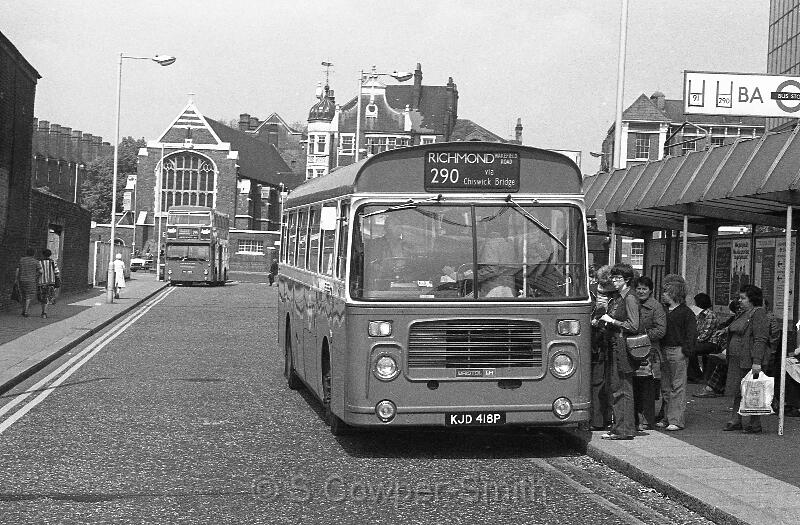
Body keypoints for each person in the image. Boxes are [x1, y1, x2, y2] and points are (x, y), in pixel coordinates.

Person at [720, 284, 770, 434]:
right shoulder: (744, 313)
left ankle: (755, 423)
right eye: (739, 298)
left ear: (752, 299)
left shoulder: (758, 313)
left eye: (743, 298)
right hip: (738, 359)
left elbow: (760, 339)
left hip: (749, 359)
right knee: (738, 389)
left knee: (753, 390)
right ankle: (736, 419)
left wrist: (757, 362)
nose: (740, 301)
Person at [598, 263, 640, 440]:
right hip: (615, 345)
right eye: (613, 278)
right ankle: (619, 427)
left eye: (618, 278)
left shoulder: (629, 298)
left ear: (627, 280)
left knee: (622, 388)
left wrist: (611, 321)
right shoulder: (618, 297)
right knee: (616, 387)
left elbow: (633, 325)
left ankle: (624, 429)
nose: (614, 281)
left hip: (622, 346)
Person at [656, 278, 697, 431]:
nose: (663, 295)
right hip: (665, 349)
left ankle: (676, 419)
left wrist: (686, 350)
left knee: (677, 386)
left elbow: (691, 334)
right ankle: (668, 417)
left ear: (674, 293)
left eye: (666, 292)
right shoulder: (666, 310)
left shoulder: (686, 313)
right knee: (666, 386)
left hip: (677, 350)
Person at [632, 276, 667, 431]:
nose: (641, 291)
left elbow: (661, 330)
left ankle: (647, 420)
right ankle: (635, 418)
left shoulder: (656, 307)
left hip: (649, 352)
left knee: (648, 387)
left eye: (644, 289)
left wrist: (642, 336)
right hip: (632, 350)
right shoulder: (631, 303)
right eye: (638, 288)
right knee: (635, 387)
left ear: (650, 290)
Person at [589, 265, 615, 430]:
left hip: (604, 343)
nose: (606, 292)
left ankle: (600, 419)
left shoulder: (614, 295)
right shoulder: (589, 292)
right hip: (590, 341)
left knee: (602, 382)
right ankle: (595, 419)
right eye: (603, 288)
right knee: (594, 382)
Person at [688, 293, 719, 382]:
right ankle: (692, 374)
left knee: (691, 349)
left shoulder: (710, 315)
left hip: (711, 342)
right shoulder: (699, 315)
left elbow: (706, 334)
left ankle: (697, 374)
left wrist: (694, 340)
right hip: (701, 340)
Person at [15, 248, 41, 318]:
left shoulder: (21, 260)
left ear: (26, 253)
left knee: (23, 295)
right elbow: (41, 271)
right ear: (34, 254)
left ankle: (23, 309)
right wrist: (36, 276)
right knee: (28, 296)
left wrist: (16, 279)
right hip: (31, 280)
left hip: (21, 280)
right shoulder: (36, 262)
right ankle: (25, 311)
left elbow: (17, 270)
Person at [38, 248, 60, 319]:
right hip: (51, 282)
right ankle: (44, 312)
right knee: (47, 297)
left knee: (42, 297)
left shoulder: (39, 262)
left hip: (41, 282)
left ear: (43, 254)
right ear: (50, 255)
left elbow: (38, 272)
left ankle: (43, 311)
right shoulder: (53, 262)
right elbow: (57, 272)